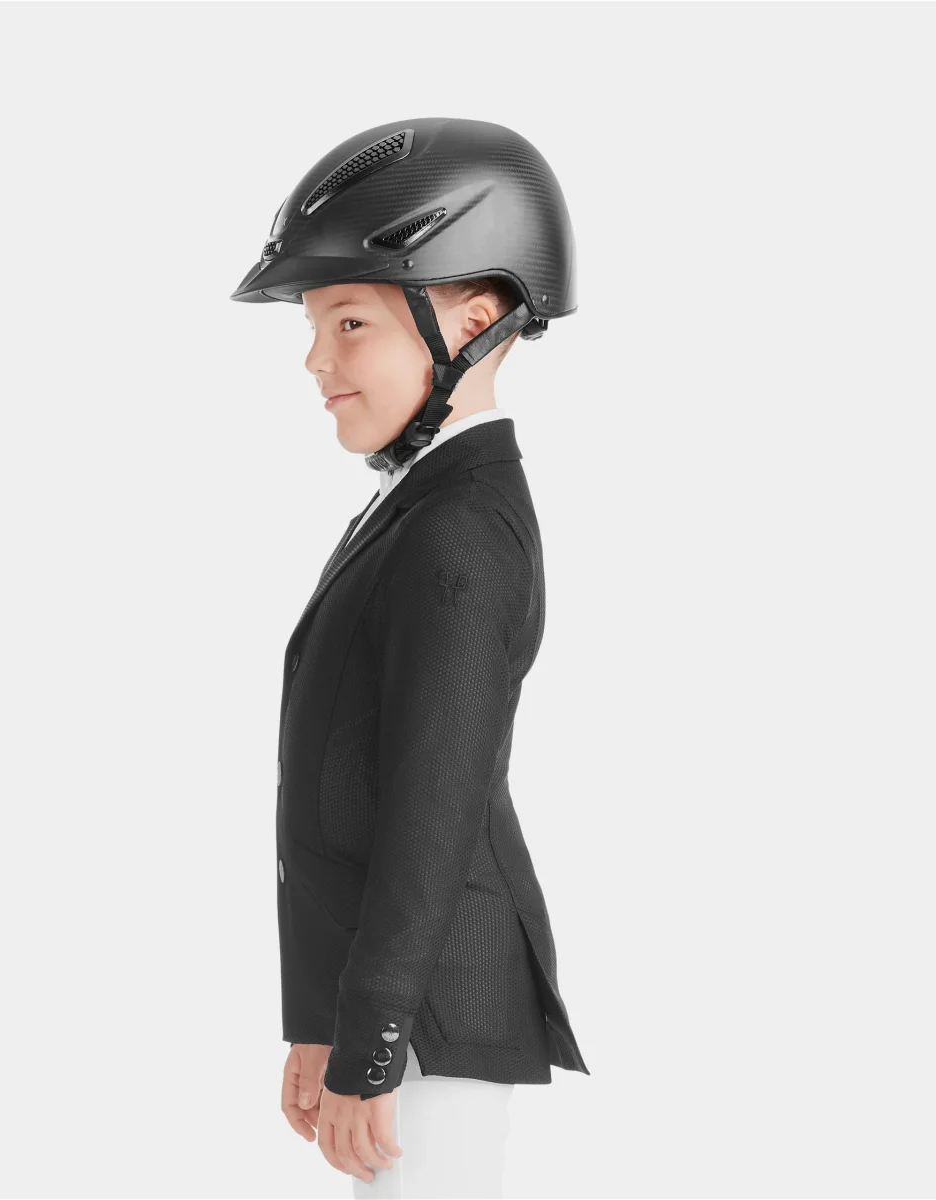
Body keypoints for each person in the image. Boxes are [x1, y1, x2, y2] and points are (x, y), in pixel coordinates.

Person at [230, 117, 589, 1198]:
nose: (315, 359)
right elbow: (355, 774)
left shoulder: (459, 531)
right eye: (313, 326)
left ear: (474, 321)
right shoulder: (419, 505)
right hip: (400, 1005)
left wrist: (374, 1038)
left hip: (435, 1008)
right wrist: (322, 1018)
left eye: (350, 322)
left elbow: (432, 808)